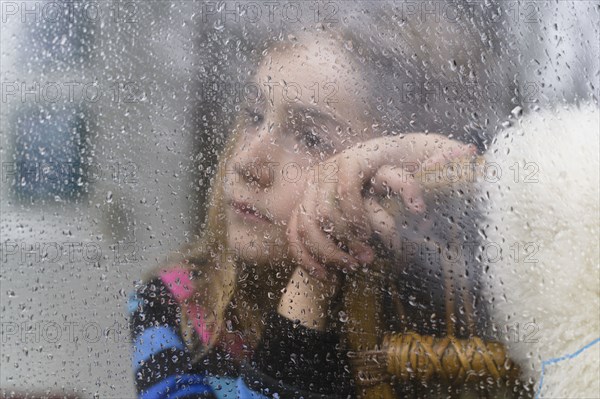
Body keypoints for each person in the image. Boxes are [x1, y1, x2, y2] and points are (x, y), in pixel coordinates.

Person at [129, 25, 476, 399]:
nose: (248, 162)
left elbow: (506, 180)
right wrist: (312, 282)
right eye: (254, 116)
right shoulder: (172, 304)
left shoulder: (411, 299)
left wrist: (402, 153)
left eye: (310, 138)